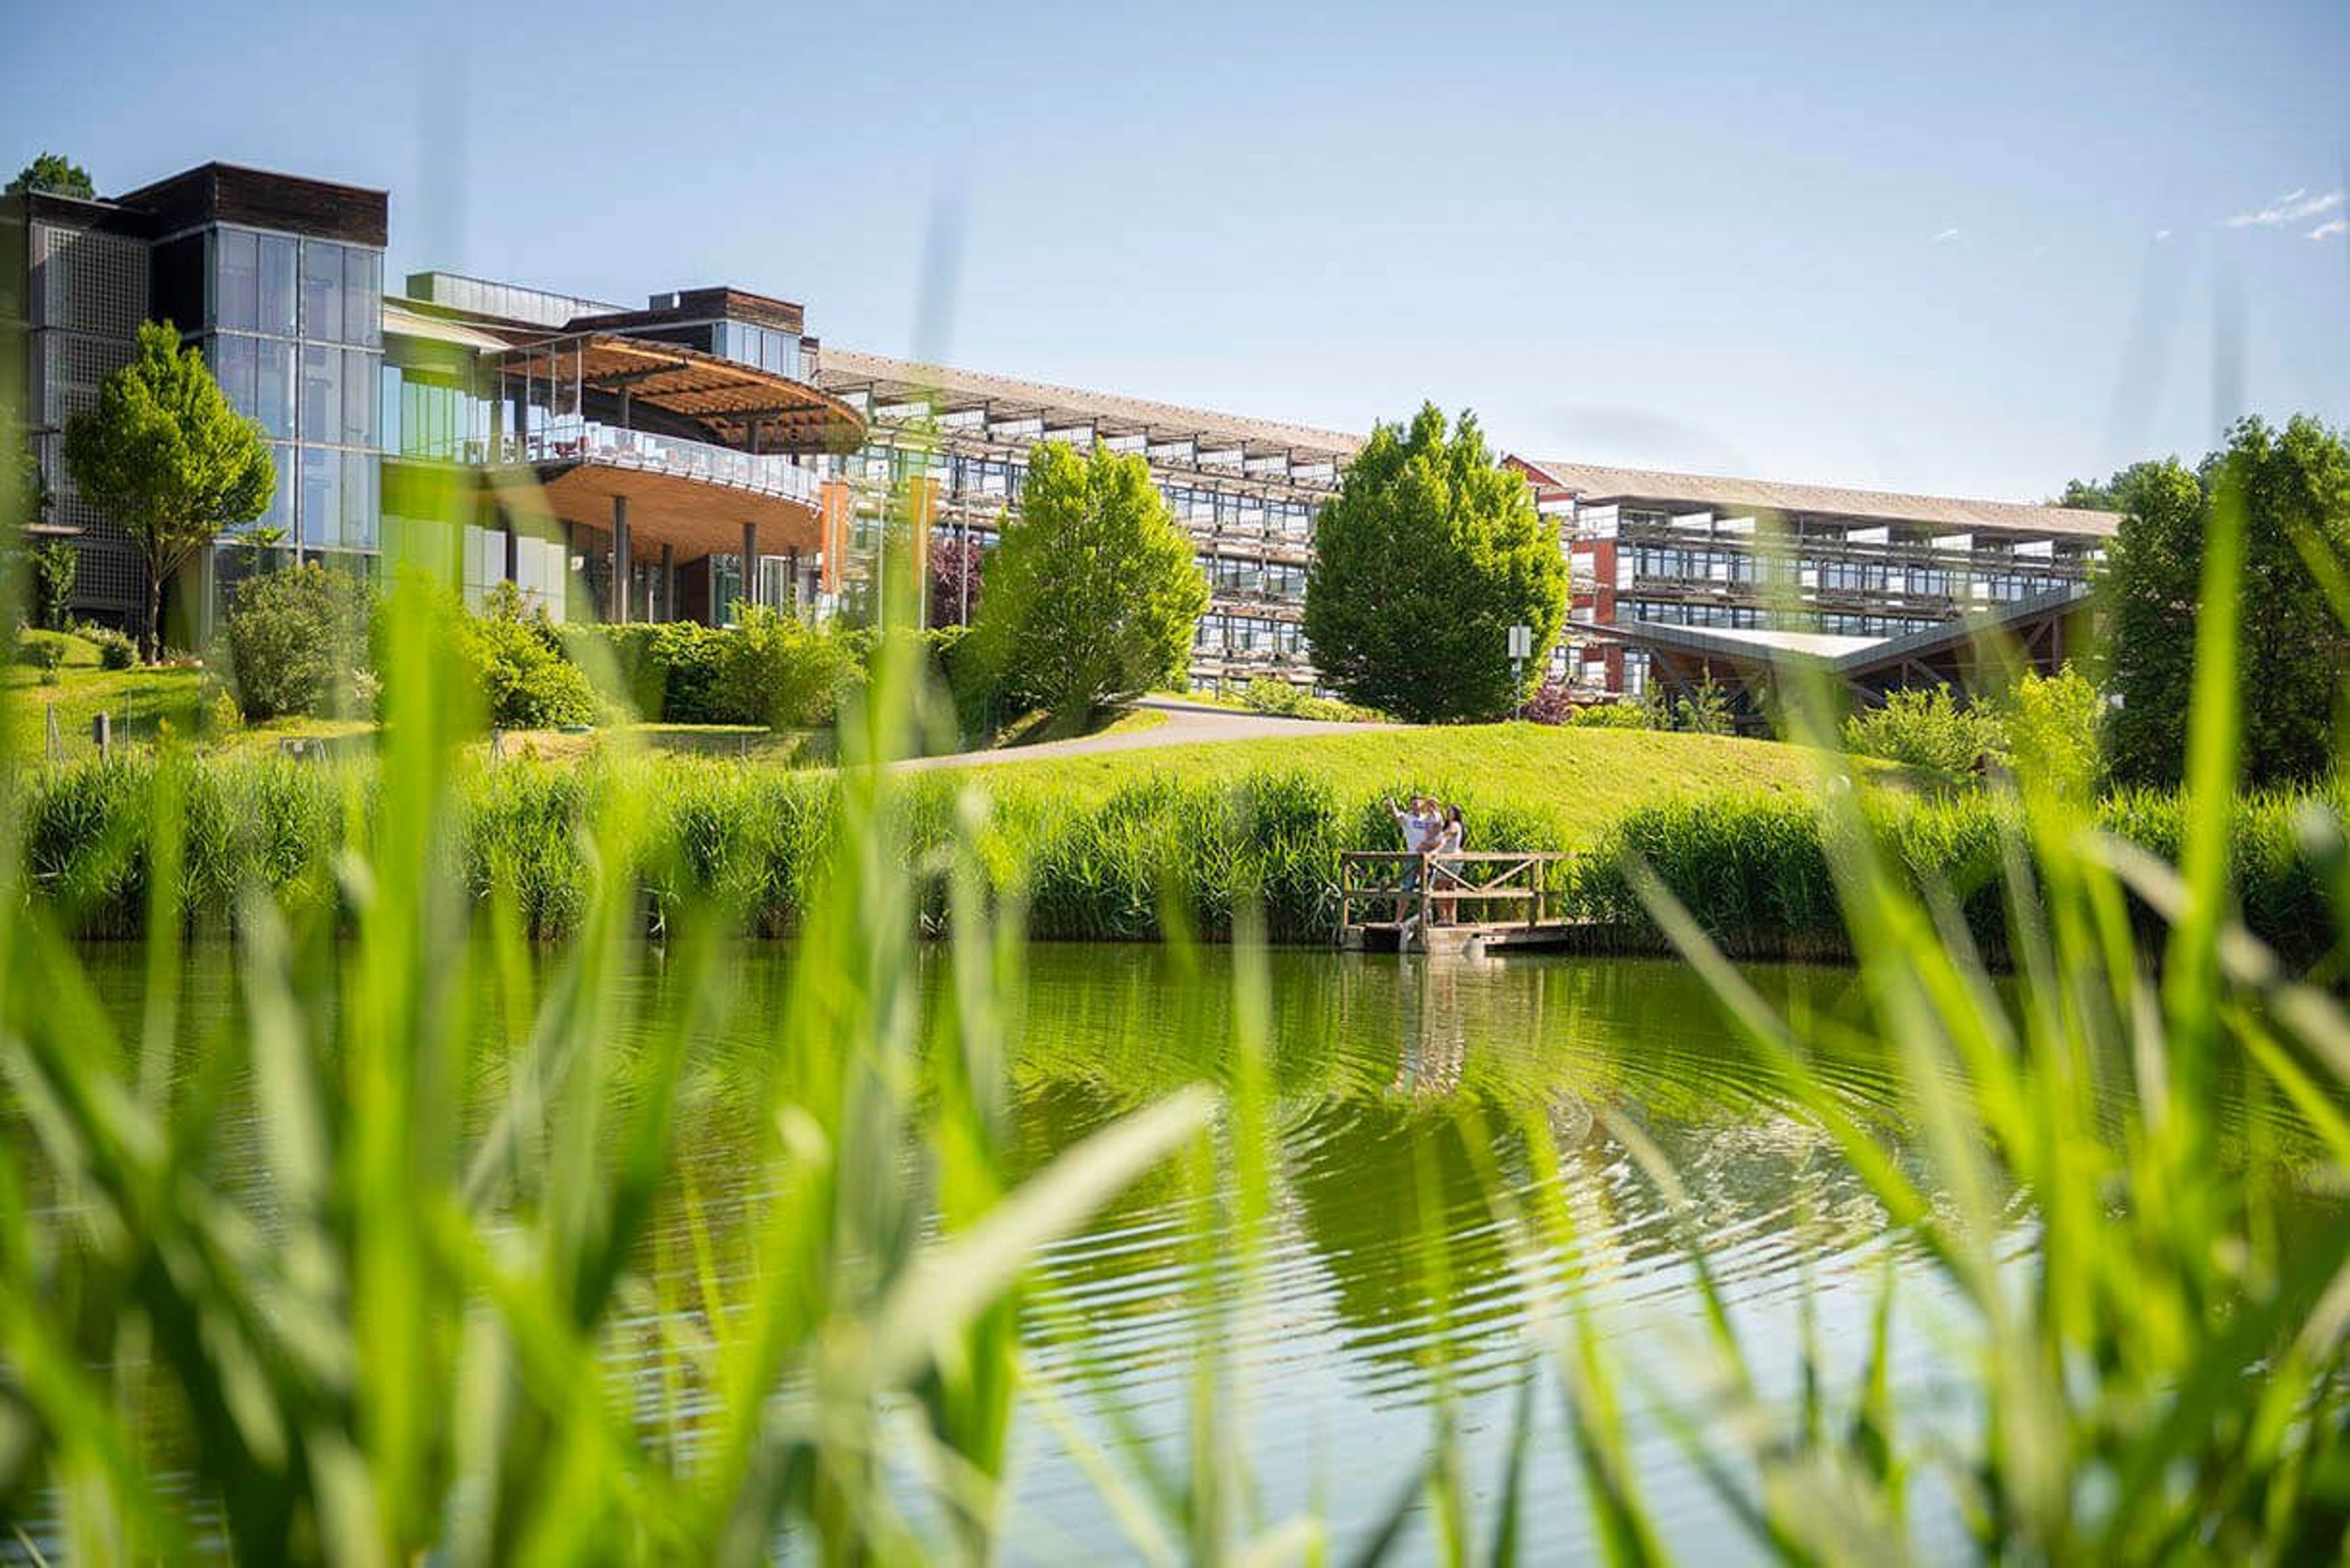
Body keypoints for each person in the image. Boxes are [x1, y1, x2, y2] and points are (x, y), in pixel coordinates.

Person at [1387, 794, 1437, 925]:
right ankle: (1398, 920)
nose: (1416, 806)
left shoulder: (1428, 818)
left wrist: (1433, 805)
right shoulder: (1407, 818)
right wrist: (1392, 805)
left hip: (1426, 859)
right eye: (1413, 804)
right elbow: (1397, 816)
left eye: (1418, 803)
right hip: (1412, 858)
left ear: (1422, 804)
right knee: (1406, 889)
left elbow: (1439, 825)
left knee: (1426, 889)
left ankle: (1427, 920)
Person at [1430, 805, 1466, 924]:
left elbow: (1445, 839)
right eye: (1447, 811)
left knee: (1438, 887)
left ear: (1456, 814)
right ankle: (1452, 918)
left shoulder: (1455, 825)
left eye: (1451, 812)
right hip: (1453, 859)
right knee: (1451, 888)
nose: (1448, 814)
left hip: (1450, 860)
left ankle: (1443, 918)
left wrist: (1436, 851)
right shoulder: (1450, 825)